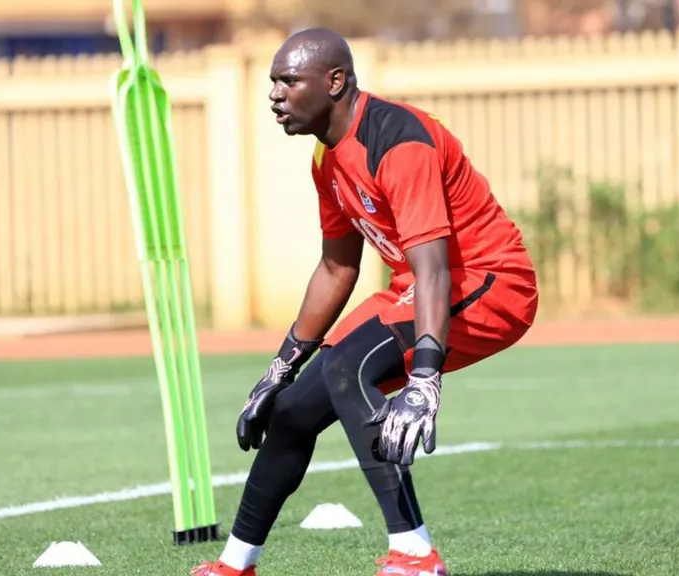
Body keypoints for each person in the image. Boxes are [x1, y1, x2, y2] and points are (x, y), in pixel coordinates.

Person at [193, 27, 538, 576]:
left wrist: (425, 379)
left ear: (335, 81)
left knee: (347, 366)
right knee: (294, 407)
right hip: (417, 285)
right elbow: (337, 268)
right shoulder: (325, 159)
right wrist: (280, 369)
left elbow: (433, 268)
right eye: (273, 83)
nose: (275, 95)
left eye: (289, 81)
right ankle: (237, 565)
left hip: (490, 282)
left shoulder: (398, 140)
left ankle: (416, 555)